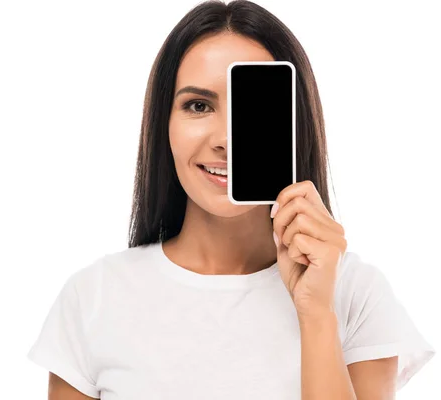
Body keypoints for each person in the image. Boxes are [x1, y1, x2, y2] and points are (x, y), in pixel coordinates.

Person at [27, 1, 436, 398]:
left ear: (293, 124)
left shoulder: (355, 293)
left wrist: (316, 316)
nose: (225, 140)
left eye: (252, 108)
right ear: (163, 124)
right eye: (198, 105)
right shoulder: (94, 297)